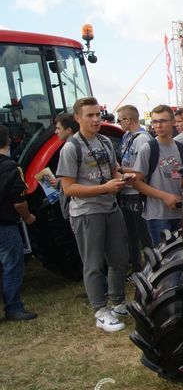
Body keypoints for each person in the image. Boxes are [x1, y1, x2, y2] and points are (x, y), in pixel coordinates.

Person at [56, 97, 130, 332]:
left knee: (120, 259)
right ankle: (100, 310)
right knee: (93, 264)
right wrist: (104, 188)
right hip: (87, 213)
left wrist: (122, 177)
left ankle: (118, 302)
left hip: (110, 208)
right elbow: (68, 188)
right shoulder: (71, 147)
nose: (96, 119)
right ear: (78, 118)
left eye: (98, 114)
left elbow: (113, 169)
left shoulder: (106, 141)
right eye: (90, 115)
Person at [0, 125, 38, 321]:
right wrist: (28, 217)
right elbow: (19, 202)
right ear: (8, 141)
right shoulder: (11, 168)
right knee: (12, 265)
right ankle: (13, 308)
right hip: (5, 226)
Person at [132, 105, 183, 246]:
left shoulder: (179, 147)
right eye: (155, 122)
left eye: (163, 121)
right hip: (158, 215)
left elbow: (182, 177)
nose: (158, 125)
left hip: (179, 213)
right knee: (164, 257)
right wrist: (164, 196)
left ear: (173, 122)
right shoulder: (148, 148)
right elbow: (136, 181)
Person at [117, 104, 152, 271]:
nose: (119, 124)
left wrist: (119, 170)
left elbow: (142, 171)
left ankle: (149, 268)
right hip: (126, 190)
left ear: (128, 119)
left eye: (119, 120)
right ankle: (137, 267)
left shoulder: (143, 139)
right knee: (130, 233)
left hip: (137, 192)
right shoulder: (126, 137)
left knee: (143, 234)